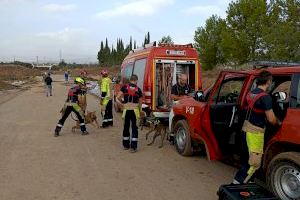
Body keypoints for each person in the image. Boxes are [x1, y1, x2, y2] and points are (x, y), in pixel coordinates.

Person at [233, 70, 281, 184]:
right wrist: (279, 122)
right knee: (254, 163)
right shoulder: (266, 97)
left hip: (246, 130)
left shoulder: (251, 94)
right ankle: (236, 184)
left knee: (246, 160)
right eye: (271, 81)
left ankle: (247, 182)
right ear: (268, 81)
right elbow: (271, 119)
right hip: (255, 134)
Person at [116, 74, 143, 153]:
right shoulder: (139, 90)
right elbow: (140, 102)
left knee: (126, 127)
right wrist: (140, 110)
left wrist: (121, 104)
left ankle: (126, 145)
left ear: (130, 80)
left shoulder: (124, 87)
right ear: (136, 80)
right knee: (134, 128)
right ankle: (133, 147)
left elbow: (117, 98)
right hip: (135, 111)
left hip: (126, 110)